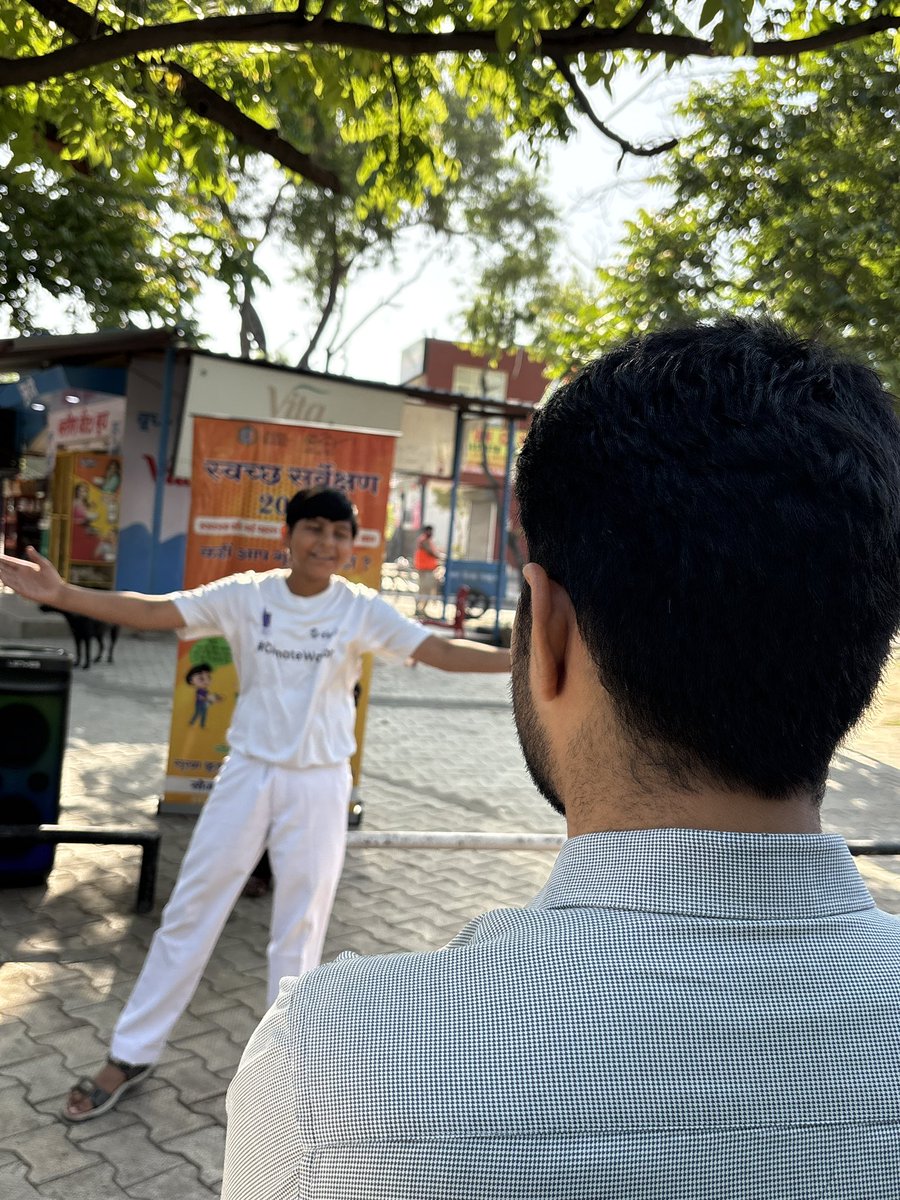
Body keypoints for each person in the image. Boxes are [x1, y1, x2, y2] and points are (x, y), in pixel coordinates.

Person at [221, 320, 900, 1199]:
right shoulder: (252, 598)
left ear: (545, 632)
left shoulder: (333, 1063)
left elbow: (423, 650)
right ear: (864, 645)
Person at [0, 486, 510, 1122]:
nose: (326, 543)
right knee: (190, 915)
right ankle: (131, 1053)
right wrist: (63, 595)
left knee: (299, 932)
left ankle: (287, 1074)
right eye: (314, 529)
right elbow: (157, 612)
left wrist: (522, 662)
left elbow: (436, 650)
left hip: (321, 782)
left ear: (353, 545)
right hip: (248, 774)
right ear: (289, 536)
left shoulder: (359, 609)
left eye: (339, 533)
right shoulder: (247, 595)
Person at [413, 524, 440, 616]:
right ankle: (417, 609)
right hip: (424, 570)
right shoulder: (423, 541)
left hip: (429, 570)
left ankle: (422, 610)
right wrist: (440, 557)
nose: (431, 533)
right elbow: (432, 553)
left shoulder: (429, 541)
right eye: (429, 531)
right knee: (423, 590)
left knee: (427, 591)